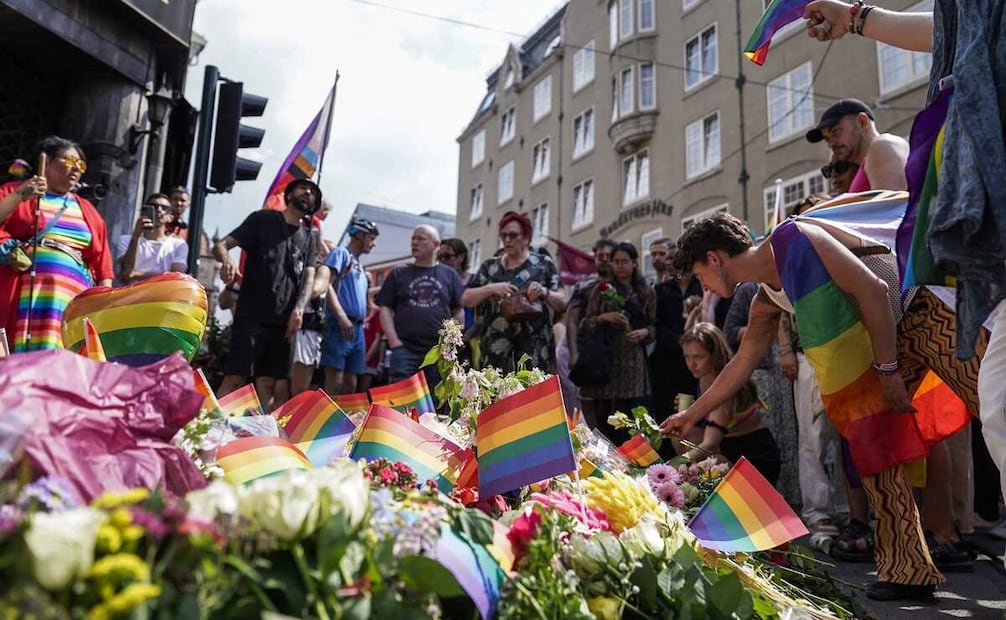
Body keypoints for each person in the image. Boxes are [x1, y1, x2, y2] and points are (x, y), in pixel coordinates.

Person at [805, 0, 1006, 554]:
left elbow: (895, 211)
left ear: (862, 122)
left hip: (920, 293)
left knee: (929, 416)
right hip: (939, 281)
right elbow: (949, 28)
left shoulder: (885, 148)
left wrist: (823, 220)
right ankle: (920, 546)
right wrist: (857, 18)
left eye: (836, 129)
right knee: (956, 411)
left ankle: (938, 537)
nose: (832, 141)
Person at [660, 212, 945, 601]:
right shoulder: (767, 297)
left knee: (992, 418)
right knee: (880, 459)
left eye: (700, 275)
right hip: (888, 346)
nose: (703, 286)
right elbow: (740, 364)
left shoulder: (795, 237)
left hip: (927, 314)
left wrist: (888, 369)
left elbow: (875, 289)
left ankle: (917, 561)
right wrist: (691, 415)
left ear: (714, 258)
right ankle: (908, 570)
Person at [212, 179, 322, 406]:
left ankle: (257, 427)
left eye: (312, 192)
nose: (308, 192)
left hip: (284, 323)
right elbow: (221, 245)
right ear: (288, 195)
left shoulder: (309, 237)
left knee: (270, 384)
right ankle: (210, 424)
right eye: (302, 188)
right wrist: (227, 260)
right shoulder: (262, 220)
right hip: (251, 315)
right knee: (236, 378)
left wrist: (299, 310)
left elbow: (309, 277)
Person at [0, 136, 114, 351]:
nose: (76, 168)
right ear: (46, 162)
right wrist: (22, 194)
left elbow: (102, 266)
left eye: (80, 164)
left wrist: (103, 304)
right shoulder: (17, 191)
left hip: (72, 299)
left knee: (61, 357)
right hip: (26, 292)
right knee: (22, 354)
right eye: (68, 161)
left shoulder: (87, 210)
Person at [723, 282, 800, 505]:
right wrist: (761, 328)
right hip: (761, 373)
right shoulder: (748, 290)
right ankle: (768, 498)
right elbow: (729, 330)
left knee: (788, 435)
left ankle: (791, 497)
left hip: (784, 373)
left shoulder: (786, 286)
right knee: (771, 433)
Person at [463, 211, 566, 374]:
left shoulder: (543, 264)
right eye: (503, 235)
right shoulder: (489, 267)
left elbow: (562, 302)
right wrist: (492, 288)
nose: (507, 240)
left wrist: (544, 292)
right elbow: (466, 299)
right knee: (495, 388)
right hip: (496, 348)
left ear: (526, 237)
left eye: (512, 235)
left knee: (535, 389)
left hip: (534, 348)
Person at [679, 322, 781, 484]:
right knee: (687, 437)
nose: (692, 364)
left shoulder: (724, 390)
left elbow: (710, 444)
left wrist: (676, 466)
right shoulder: (704, 378)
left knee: (706, 463)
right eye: (687, 357)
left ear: (714, 356)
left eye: (698, 357)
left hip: (754, 456)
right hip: (728, 448)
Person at [577, 242, 655, 445]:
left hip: (633, 363)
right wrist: (604, 317)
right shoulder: (601, 290)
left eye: (624, 261)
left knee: (630, 421)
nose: (620, 266)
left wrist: (645, 332)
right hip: (606, 360)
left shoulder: (645, 292)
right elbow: (584, 324)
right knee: (604, 421)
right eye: (616, 261)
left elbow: (655, 326)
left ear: (635, 263)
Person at [377, 224, 464, 383]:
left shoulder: (450, 275)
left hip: (438, 352)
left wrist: (450, 343)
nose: (414, 242)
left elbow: (458, 311)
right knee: (401, 397)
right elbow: (385, 309)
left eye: (421, 239)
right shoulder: (398, 273)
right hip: (404, 350)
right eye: (413, 238)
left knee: (435, 397)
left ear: (436, 244)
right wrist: (394, 342)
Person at [318, 217, 379, 396]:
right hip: (339, 325)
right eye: (371, 238)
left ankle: (345, 415)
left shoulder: (359, 264)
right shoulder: (341, 253)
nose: (373, 244)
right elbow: (326, 284)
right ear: (359, 235)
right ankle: (327, 414)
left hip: (357, 328)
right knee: (334, 382)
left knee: (351, 385)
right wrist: (341, 316)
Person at [650, 239, 702, 434]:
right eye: (668, 259)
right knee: (667, 406)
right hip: (668, 361)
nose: (670, 262)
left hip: (699, 356)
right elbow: (657, 323)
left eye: (674, 258)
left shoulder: (701, 285)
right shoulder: (661, 290)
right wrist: (679, 342)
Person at [806, 98, 909, 192]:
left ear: (862, 122)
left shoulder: (882, 145)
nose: (831, 144)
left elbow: (893, 204)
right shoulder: (867, 165)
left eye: (835, 131)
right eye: (827, 139)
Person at [116, 193, 188, 283]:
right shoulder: (126, 240)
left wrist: (135, 274)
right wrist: (135, 237)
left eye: (164, 208)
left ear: (170, 217)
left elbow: (176, 277)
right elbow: (126, 271)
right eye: (153, 206)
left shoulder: (178, 245)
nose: (158, 210)